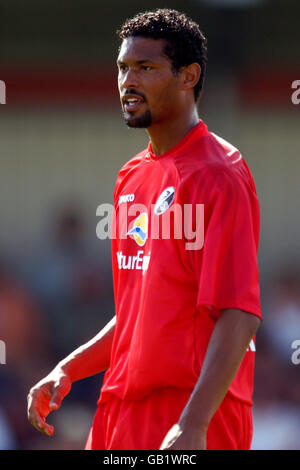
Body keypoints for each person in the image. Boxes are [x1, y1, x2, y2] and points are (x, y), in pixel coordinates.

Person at [27, 9, 262, 450]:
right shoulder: (130, 177)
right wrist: (69, 368)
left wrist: (194, 423)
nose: (127, 81)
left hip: (193, 411)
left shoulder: (220, 174)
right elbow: (139, 312)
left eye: (146, 68)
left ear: (188, 76)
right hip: (121, 409)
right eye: (123, 68)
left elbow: (239, 312)